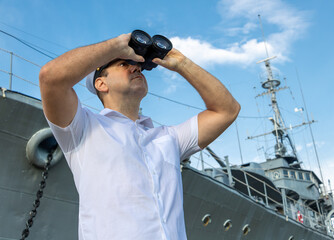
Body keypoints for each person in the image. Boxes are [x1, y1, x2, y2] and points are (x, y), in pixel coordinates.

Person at [39, 32, 240, 240]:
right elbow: (50, 78)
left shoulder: (168, 139)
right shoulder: (83, 128)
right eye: (123, 64)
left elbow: (227, 110)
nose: (136, 67)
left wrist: (182, 63)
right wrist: (115, 46)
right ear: (101, 84)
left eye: (137, 65)